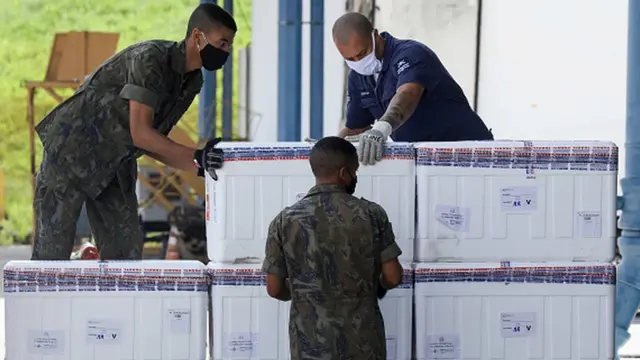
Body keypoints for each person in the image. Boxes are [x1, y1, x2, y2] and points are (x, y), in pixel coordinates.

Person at [31, 3, 235, 260]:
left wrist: (201, 164)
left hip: (115, 162)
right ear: (197, 36)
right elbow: (141, 133)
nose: (226, 51)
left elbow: (154, 142)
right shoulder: (150, 59)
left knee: (124, 254)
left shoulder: (192, 81)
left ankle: (108, 298)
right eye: (223, 43)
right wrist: (195, 154)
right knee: (51, 256)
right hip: (71, 154)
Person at [262, 136, 404, 359]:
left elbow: (274, 288)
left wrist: (306, 294)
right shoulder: (371, 214)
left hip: (309, 345)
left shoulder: (284, 220)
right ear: (343, 173)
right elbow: (393, 276)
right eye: (354, 171)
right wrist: (374, 286)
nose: (355, 177)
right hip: (364, 343)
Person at [332, 12, 494, 165]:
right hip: (420, 161)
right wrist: (329, 149)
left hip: (466, 151)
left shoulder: (410, 54)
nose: (358, 61)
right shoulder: (357, 77)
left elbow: (407, 94)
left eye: (362, 53)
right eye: (350, 59)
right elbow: (355, 129)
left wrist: (381, 128)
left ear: (375, 35)